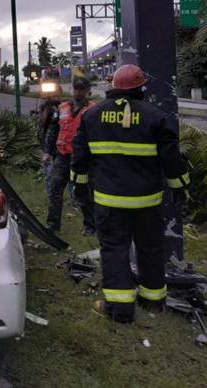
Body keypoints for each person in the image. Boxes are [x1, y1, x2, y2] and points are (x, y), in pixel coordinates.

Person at [70, 64, 190, 323]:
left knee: (114, 249)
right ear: (140, 88)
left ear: (112, 86)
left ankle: (120, 309)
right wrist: (180, 188)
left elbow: (79, 158)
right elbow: (171, 159)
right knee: (150, 249)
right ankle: (153, 301)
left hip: (109, 201)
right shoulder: (156, 117)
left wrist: (79, 188)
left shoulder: (92, 116)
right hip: (147, 202)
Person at [42, 77, 96, 235]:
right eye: (76, 88)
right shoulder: (62, 108)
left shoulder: (93, 110)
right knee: (54, 189)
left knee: (84, 192)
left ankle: (90, 226)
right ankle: (52, 225)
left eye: (81, 89)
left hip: (83, 159)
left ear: (87, 91)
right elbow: (53, 130)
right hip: (63, 156)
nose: (78, 92)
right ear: (72, 89)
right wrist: (47, 152)